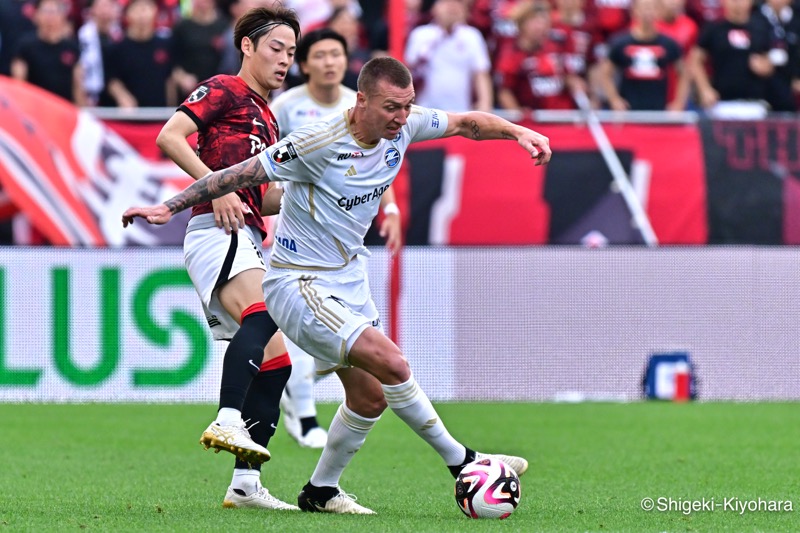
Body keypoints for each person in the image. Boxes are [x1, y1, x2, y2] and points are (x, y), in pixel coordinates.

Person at [122, 56, 550, 515]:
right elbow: (238, 175)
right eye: (391, 107)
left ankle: (321, 490)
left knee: (368, 396)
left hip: (349, 277)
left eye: (407, 107)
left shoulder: (404, 126)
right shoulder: (316, 141)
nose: (402, 118)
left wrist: (517, 132)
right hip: (298, 282)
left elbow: (468, 123)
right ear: (362, 100)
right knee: (393, 362)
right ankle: (464, 461)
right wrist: (170, 206)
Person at [153, 6, 301, 510]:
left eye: (291, 53)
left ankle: (245, 484)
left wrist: (319, 195)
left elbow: (266, 197)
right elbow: (169, 136)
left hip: (246, 229)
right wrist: (214, 188)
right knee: (265, 315)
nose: (285, 60)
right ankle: (227, 417)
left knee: (278, 361)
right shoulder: (223, 87)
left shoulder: (269, 113)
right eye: (276, 48)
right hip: (217, 228)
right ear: (247, 46)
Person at [270, 27, 402, 450]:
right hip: (290, 222)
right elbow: (269, 168)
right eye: (320, 55)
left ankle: (302, 407)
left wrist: (392, 207)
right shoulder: (286, 107)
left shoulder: (359, 104)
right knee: (303, 317)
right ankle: (303, 409)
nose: (330, 62)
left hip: (343, 235)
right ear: (304, 64)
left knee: (332, 325)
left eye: (337, 54)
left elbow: (380, 162)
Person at [404, 0, 494, 112]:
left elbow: (481, 74)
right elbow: (408, 72)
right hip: (424, 111)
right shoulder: (420, 35)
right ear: (434, 7)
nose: (452, 7)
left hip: (461, 112)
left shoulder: (472, 36)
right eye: (446, 2)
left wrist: (485, 105)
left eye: (457, 2)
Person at [599, 0, 689, 111]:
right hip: (628, 111)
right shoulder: (620, 42)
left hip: (660, 111)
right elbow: (605, 74)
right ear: (633, 12)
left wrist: (678, 103)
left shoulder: (669, 44)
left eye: (651, 8)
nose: (647, 12)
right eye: (643, 8)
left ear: (658, 12)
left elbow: (684, 74)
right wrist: (614, 100)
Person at [11, 0, 86, 106]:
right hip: (35, 108)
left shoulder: (72, 47)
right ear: (36, 15)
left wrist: (82, 111)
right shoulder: (25, 46)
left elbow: (78, 86)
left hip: (64, 108)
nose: (50, 17)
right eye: (46, 11)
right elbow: (19, 83)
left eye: (55, 11)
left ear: (63, 16)